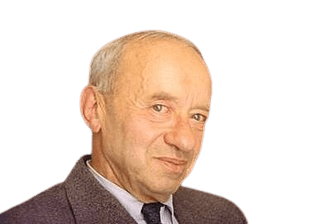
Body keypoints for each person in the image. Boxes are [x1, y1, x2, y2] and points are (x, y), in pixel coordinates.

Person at [0, 30, 248, 224]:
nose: (185, 141)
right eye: (159, 108)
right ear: (94, 109)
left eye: (197, 117)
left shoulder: (225, 216)